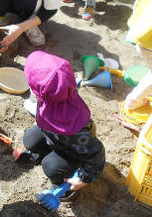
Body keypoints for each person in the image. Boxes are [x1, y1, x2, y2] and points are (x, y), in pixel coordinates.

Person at [16, 51, 105, 201]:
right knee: (30, 138)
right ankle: (41, 152)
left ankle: (64, 187)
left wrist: (83, 178)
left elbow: (96, 153)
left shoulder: (76, 131)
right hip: (52, 135)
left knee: (51, 166)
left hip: (72, 149)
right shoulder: (60, 91)